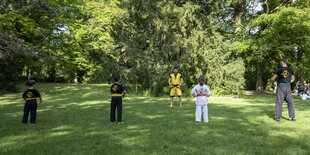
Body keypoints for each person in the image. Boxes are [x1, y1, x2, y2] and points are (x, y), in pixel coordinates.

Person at [271, 57, 296, 122]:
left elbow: (273, 79)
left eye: (280, 61)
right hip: (288, 86)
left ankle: (278, 118)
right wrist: (288, 82)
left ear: (282, 62)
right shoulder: (290, 70)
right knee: (290, 102)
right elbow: (293, 79)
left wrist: (274, 82)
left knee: (279, 102)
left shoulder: (279, 69)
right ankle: (293, 117)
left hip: (281, 86)